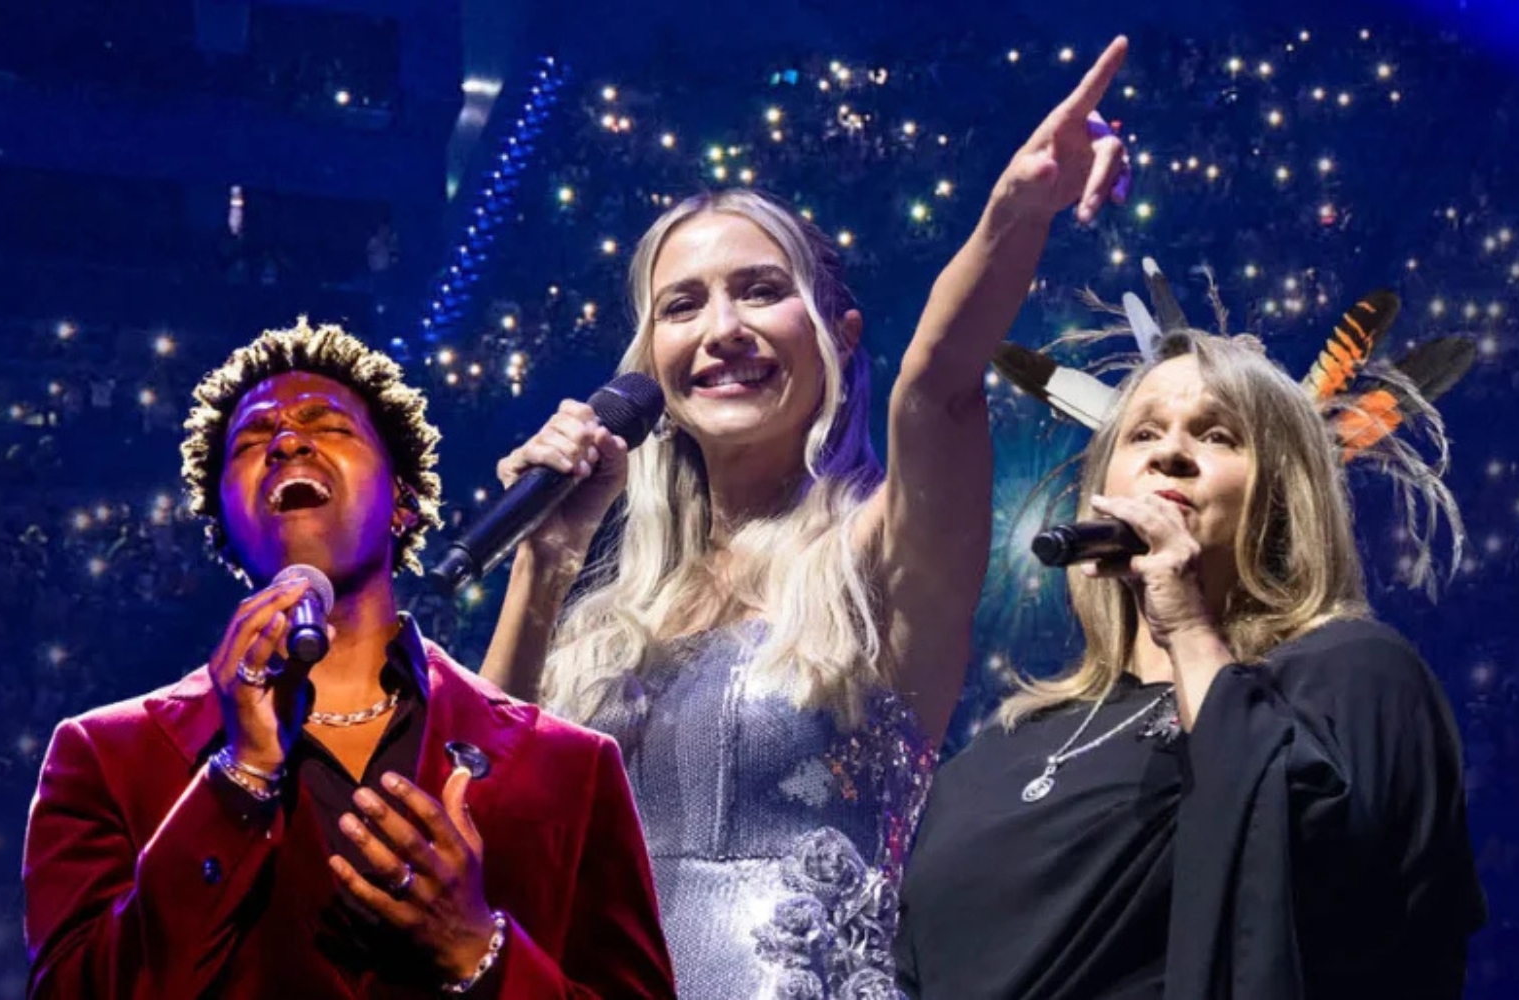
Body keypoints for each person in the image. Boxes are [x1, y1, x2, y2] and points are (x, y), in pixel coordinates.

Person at [480, 39, 1134, 999]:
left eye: (761, 290)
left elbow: (939, 389)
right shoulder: (603, 625)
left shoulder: (879, 556)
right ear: (650, 369)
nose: (723, 330)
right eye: (682, 306)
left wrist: (1018, 208)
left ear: (838, 336)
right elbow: (483, 817)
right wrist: (544, 560)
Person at [21, 320, 675, 998]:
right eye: (251, 441)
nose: (287, 441)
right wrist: (235, 781)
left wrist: (478, 951)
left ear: (402, 503)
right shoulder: (104, 757)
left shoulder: (570, 766)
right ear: (223, 525)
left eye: (329, 426)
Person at [895, 310, 1487, 997]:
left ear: (1284, 499)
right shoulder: (997, 753)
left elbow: (1323, 884)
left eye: (1217, 435)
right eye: (1143, 433)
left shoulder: (1354, 675)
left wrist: (1185, 625)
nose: (1170, 453)